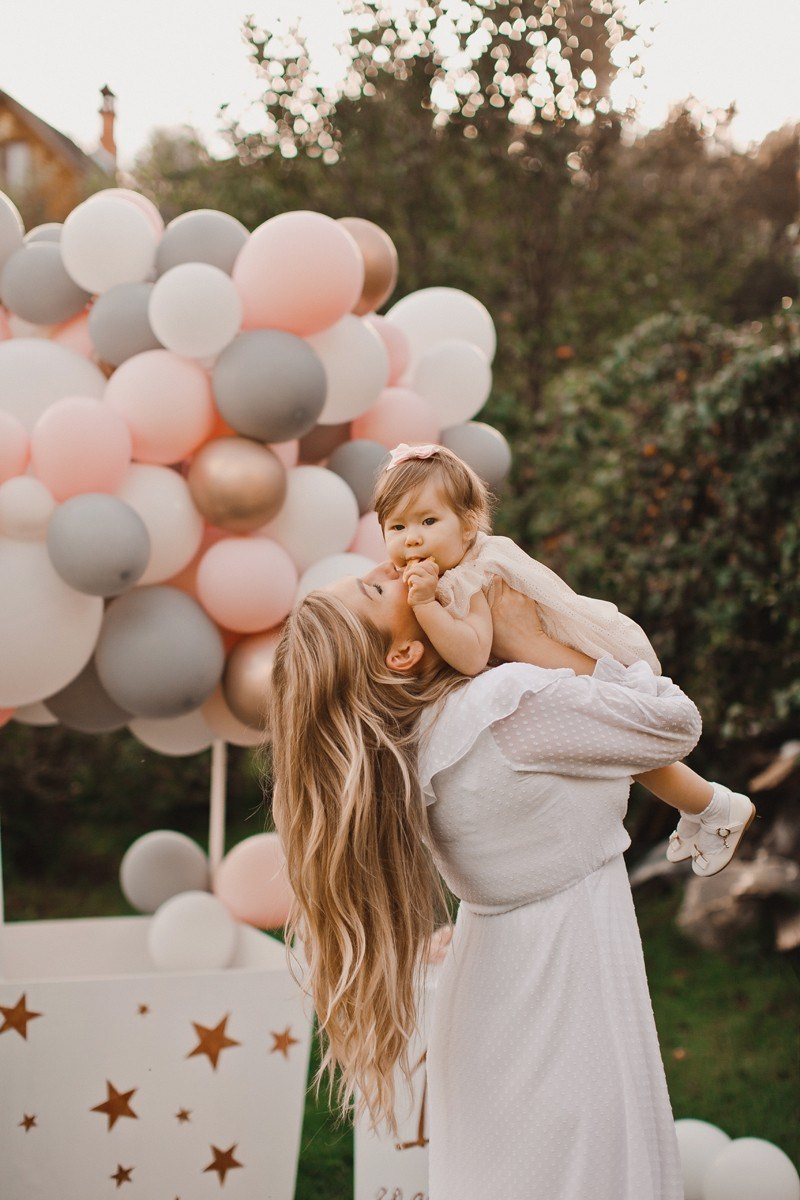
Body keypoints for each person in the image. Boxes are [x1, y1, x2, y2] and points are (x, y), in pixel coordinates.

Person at [269, 564, 706, 1198]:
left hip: (492, 994)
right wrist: (530, 642)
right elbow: (673, 724)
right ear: (403, 653)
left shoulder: (407, 742)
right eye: (375, 589)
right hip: (563, 993)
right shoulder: (504, 707)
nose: (391, 566)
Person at [372, 442, 755, 877]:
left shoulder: (471, 577)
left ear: (467, 528)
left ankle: (715, 807)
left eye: (428, 521)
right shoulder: (442, 574)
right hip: (548, 681)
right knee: (622, 752)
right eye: (396, 526)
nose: (412, 538)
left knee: (624, 746)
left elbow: (472, 654)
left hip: (566, 666)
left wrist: (424, 606)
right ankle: (706, 805)